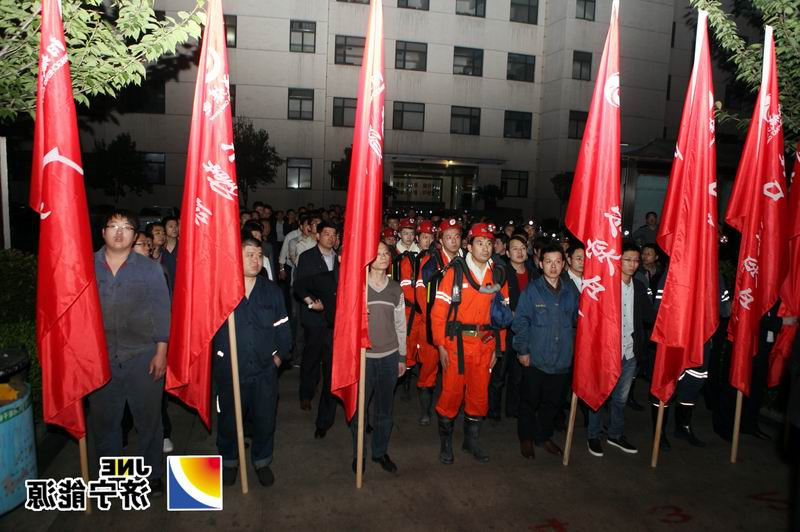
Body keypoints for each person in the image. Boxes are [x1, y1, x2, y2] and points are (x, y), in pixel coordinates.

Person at [89, 210, 170, 495]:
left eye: (126, 227)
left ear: (135, 236)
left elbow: (162, 310)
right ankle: (113, 479)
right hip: (100, 359)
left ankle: (152, 474)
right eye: (113, 226)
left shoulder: (149, 269)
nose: (119, 232)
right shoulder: (86, 266)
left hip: (143, 356)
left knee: (148, 421)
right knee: (106, 424)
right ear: (103, 232)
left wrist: (161, 352)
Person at [212, 237, 291, 487]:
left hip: (265, 371)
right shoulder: (222, 290)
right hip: (230, 370)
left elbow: (283, 329)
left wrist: (278, 359)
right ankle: (229, 461)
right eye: (249, 255)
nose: (255, 260)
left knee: (265, 418)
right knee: (228, 419)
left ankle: (262, 460)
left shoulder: (271, 291)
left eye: (259, 255)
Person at [431, 223, 509, 464]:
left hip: (485, 345)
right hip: (457, 346)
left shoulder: (497, 274)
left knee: (478, 396)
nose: (485, 248)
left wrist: (499, 347)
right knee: (451, 395)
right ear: (469, 245)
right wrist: (441, 346)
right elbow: (438, 313)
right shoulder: (455, 273)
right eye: (480, 242)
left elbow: (502, 315)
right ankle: (446, 443)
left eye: (489, 243)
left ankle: (471, 441)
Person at [586, 242, 655, 457]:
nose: (633, 264)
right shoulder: (605, 286)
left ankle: (615, 434)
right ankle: (593, 435)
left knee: (620, 399)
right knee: (599, 395)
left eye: (636, 260)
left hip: (629, 352)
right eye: (628, 259)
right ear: (618, 260)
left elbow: (648, 317)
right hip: (606, 351)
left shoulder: (640, 287)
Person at [512, 244, 579, 459]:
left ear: (563, 263)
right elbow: (520, 322)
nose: (553, 266)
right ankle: (526, 438)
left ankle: (544, 436)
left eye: (557, 261)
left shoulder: (571, 291)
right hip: (536, 358)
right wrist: (522, 351)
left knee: (552, 403)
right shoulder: (532, 290)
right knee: (529, 401)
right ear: (541, 264)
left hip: (561, 359)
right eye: (548, 261)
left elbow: (579, 322)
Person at [350, 241, 407, 474]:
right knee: (359, 411)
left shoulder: (396, 289)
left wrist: (402, 356)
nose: (383, 257)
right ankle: (359, 454)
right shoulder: (358, 287)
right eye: (378, 253)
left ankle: (379, 452)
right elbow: (346, 325)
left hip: (389, 357)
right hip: (364, 358)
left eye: (386, 254)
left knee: (385, 409)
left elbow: (400, 325)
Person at [414, 218, 463, 426]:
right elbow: (420, 294)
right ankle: (426, 410)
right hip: (433, 326)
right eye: (448, 237)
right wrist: (434, 325)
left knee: (455, 372)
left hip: (458, 329)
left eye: (457, 237)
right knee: (429, 370)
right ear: (440, 240)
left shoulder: (467, 262)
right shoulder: (430, 262)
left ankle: (451, 407)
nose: (453, 241)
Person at [294, 222, 339, 438]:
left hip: (333, 320)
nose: (330, 237)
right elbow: (299, 285)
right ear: (318, 235)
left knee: (330, 364)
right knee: (311, 357)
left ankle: (325, 411)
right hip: (314, 318)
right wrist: (311, 303)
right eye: (326, 233)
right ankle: (306, 393)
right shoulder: (307, 257)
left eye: (333, 234)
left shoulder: (339, 259)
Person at [488, 234, 533, 421]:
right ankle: (493, 411)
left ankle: (512, 409)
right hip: (504, 330)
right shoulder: (502, 273)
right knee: (499, 374)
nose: (519, 252)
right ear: (507, 252)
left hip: (526, 332)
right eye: (515, 248)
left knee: (518, 375)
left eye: (523, 248)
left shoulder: (534, 273)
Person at [148, 221, 177, 293]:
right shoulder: (144, 256)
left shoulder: (167, 255)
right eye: (158, 233)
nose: (162, 236)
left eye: (163, 233)